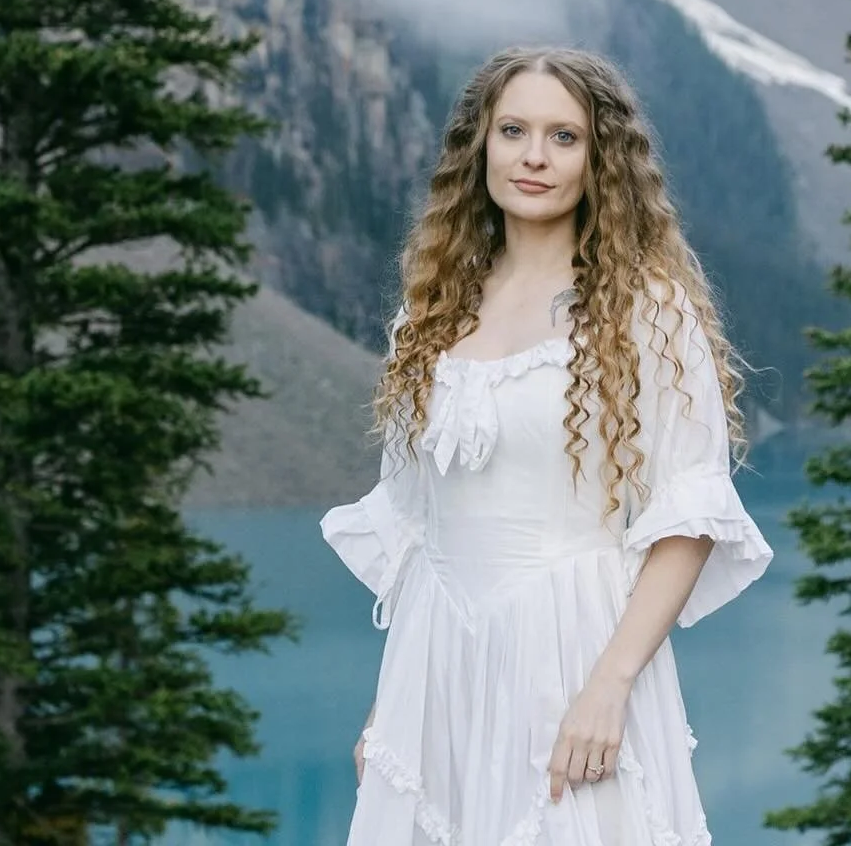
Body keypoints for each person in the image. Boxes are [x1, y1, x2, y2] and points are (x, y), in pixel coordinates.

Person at [320, 44, 774, 845]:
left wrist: (611, 686)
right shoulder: (428, 314)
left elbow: (688, 517)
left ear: (602, 161)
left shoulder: (647, 308)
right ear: (479, 147)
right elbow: (420, 530)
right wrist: (389, 710)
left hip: (575, 654)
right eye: (514, 130)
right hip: (439, 669)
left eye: (564, 138)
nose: (534, 156)